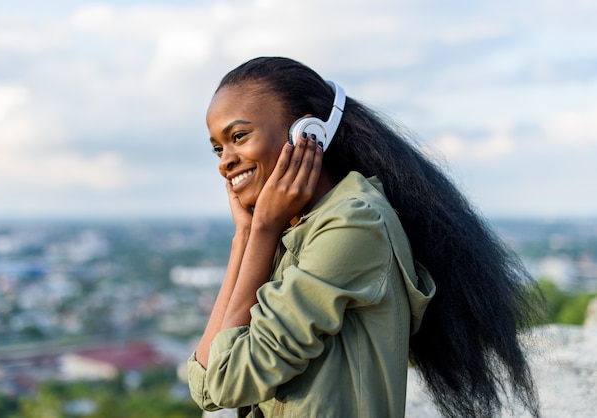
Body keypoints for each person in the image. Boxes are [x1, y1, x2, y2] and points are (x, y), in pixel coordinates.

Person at [186, 56, 542, 417]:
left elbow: (227, 379)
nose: (224, 162)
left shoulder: (354, 224)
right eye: (218, 148)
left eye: (239, 136)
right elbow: (204, 387)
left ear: (308, 134)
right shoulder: (291, 226)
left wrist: (261, 229)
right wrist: (245, 236)